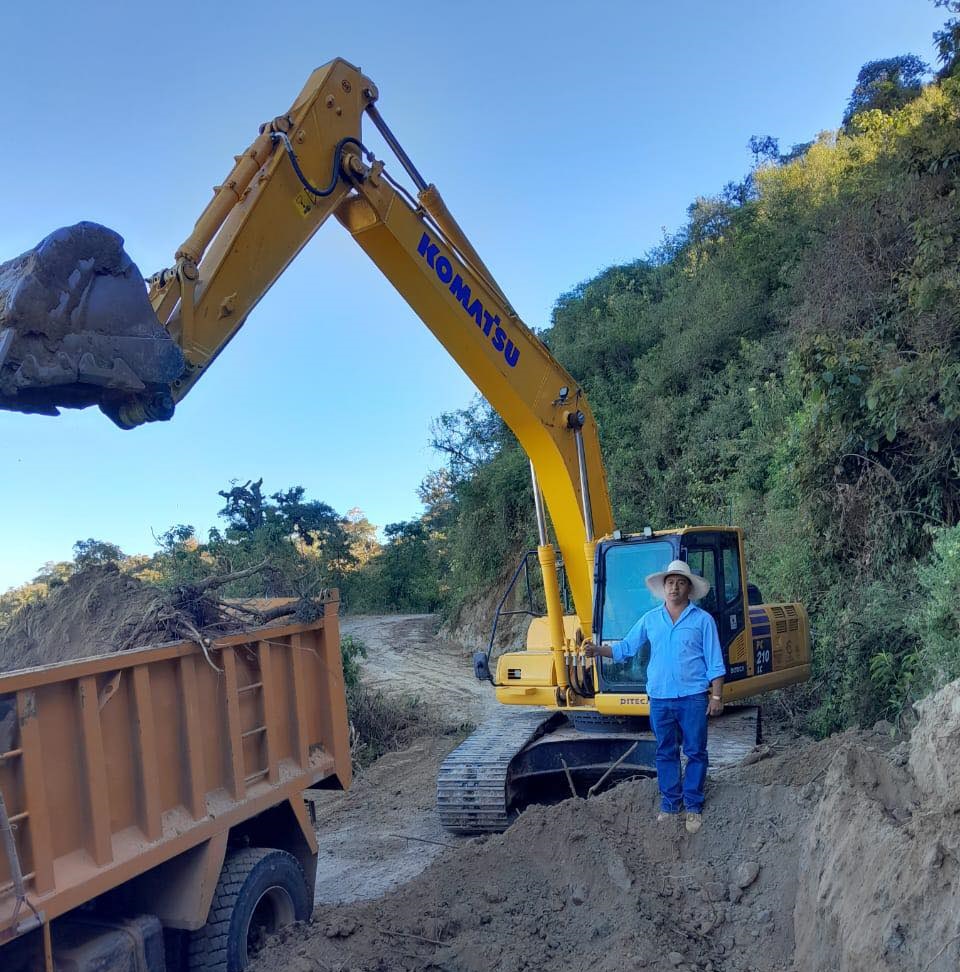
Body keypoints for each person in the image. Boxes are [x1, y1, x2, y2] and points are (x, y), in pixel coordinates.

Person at [583, 559, 726, 834]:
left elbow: (715, 662)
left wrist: (716, 697)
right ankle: (670, 805)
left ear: (689, 589)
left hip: (693, 697)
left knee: (695, 751)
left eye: (680, 583)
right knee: (665, 751)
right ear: (664, 588)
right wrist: (597, 651)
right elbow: (626, 648)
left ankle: (693, 806)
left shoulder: (703, 621)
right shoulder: (650, 619)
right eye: (670, 583)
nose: (674, 587)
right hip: (660, 699)